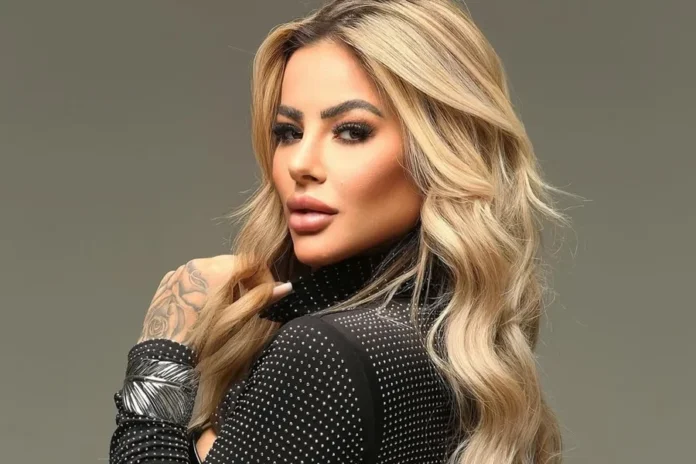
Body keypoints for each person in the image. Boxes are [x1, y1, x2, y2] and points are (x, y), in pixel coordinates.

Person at [108, 0, 571, 463]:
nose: (301, 164)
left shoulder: (323, 355)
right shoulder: (453, 347)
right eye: (288, 132)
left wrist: (162, 351)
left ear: (442, 150)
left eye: (351, 131)